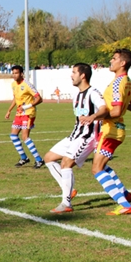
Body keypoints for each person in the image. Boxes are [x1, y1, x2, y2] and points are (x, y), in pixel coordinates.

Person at [81, 48, 131, 216]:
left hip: (110, 129)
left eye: (114, 58)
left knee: (96, 169)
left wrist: (94, 116)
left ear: (122, 63)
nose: (111, 61)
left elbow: (115, 112)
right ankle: (125, 194)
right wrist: (123, 104)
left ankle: (124, 204)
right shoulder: (129, 83)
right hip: (116, 130)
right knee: (102, 165)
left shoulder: (118, 83)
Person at [43, 63, 106, 213]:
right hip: (74, 135)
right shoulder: (77, 95)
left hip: (87, 137)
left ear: (83, 75)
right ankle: (68, 190)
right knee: (48, 158)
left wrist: (94, 116)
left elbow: (104, 108)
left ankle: (66, 204)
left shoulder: (94, 93)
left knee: (66, 163)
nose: (71, 75)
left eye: (74, 72)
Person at [4, 65, 44, 168]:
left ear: (21, 74)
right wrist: (9, 110)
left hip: (28, 113)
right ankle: (24, 158)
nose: (14, 75)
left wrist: (27, 106)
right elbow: (15, 98)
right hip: (19, 113)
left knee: (25, 137)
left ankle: (39, 160)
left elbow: (39, 99)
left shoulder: (27, 85)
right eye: (13, 73)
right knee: (13, 136)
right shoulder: (13, 84)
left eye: (16, 73)